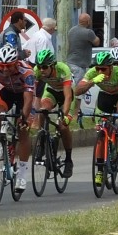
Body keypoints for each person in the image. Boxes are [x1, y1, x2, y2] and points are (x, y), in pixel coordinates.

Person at [73, 49, 118, 187]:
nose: (100, 71)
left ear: (111, 67)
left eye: (104, 69)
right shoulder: (93, 73)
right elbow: (77, 91)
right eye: (98, 68)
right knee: (101, 133)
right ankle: (100, 171)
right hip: (104, 97)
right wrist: (92, 82)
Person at [0, 43, 36, 191]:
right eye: (2, 66)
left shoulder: (27, 71)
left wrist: (24, 117)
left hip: (24, 96)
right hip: (8, 93)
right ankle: (2, 138)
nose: (5, 69)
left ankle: (22, 175)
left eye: (9, 66)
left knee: (23, 131)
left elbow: (29, 99)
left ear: (16, 62)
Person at [29, 47, 74, 175]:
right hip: (52, 92)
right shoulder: (37, 71)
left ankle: (69, 160)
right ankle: (42, 142)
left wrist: (64, 116)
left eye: (45, 67)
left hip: (67, 93)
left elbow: (68, 97)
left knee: (63, 126)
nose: (41, 70)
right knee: (43, 110)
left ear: (52, 66)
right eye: (39, 66)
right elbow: (31, 91)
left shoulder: (63, 70)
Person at [64, 12, 100, 87]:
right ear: (88, 22)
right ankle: (77, 99)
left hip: (70, 62)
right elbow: (97, 42)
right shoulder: (88, 32)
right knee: (80, 88)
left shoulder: (72, 30)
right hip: (79, 65)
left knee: (71, 86)